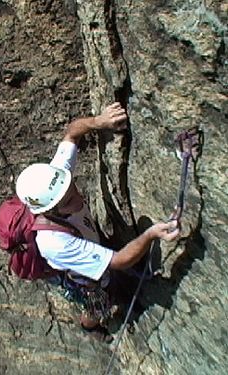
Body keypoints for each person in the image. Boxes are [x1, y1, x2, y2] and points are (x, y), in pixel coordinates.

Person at [15, 102, 179, 341]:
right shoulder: (55, 242)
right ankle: (90, 327)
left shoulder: (56, 180)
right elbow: (120, 261)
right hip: (83, 279)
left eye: (72, 187)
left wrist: (99, 122)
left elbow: (72, 132)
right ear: (51, 209)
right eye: (69, 198)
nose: (77, 194)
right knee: (98, 306)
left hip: (85, 244)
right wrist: (151, 234)